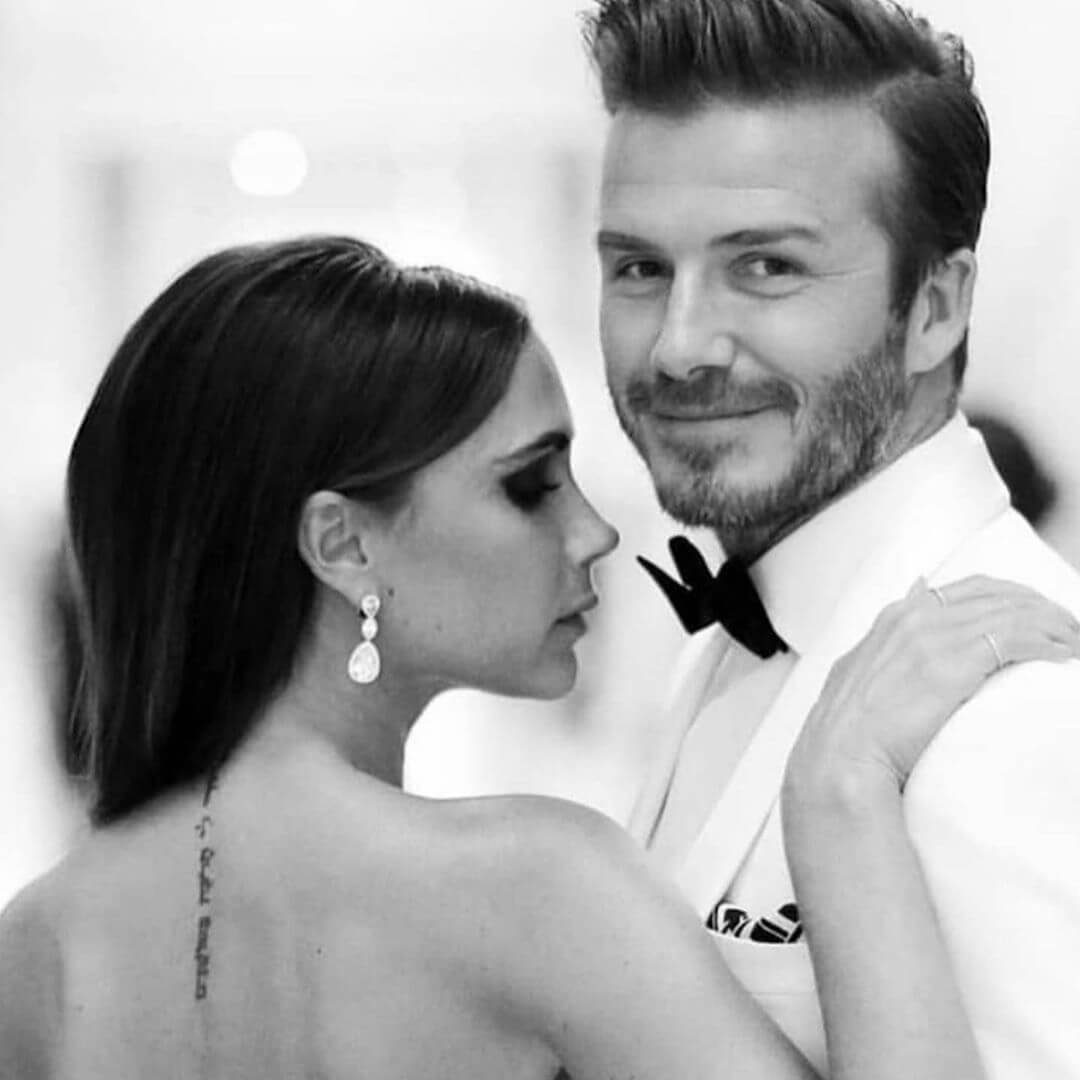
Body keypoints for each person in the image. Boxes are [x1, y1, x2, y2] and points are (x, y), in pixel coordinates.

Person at [0, 236, 1075, 1080]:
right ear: (342, 544)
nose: (595, 532)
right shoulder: (534, 887)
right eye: (529, 486)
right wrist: (843, 790)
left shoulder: (37, 948)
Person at [584, 0, 1080, 1074]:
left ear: (936, 306)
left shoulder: (1026, 712)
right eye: (640, 268)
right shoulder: (735, 628)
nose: (678, 348)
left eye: (767, 266)